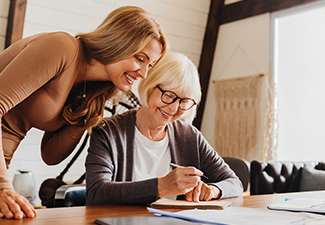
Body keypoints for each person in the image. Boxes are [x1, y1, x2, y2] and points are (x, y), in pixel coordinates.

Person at [0, 6, 167, 219]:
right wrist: (3, 186)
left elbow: (50, 156)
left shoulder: (95, 90)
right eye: (140, 58)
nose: (144, 73)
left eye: (150, 65)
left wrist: (85, 116)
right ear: (118, 42)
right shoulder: (62, 47)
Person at [85, 52, 243, 206]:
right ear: (150, 87)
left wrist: (213, 190)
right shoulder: (108, 131)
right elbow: (96, 193)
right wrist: (161, 186)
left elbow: (234, 183)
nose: (174, 108)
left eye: (184, 101)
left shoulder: (189, 136)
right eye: (168, 95)